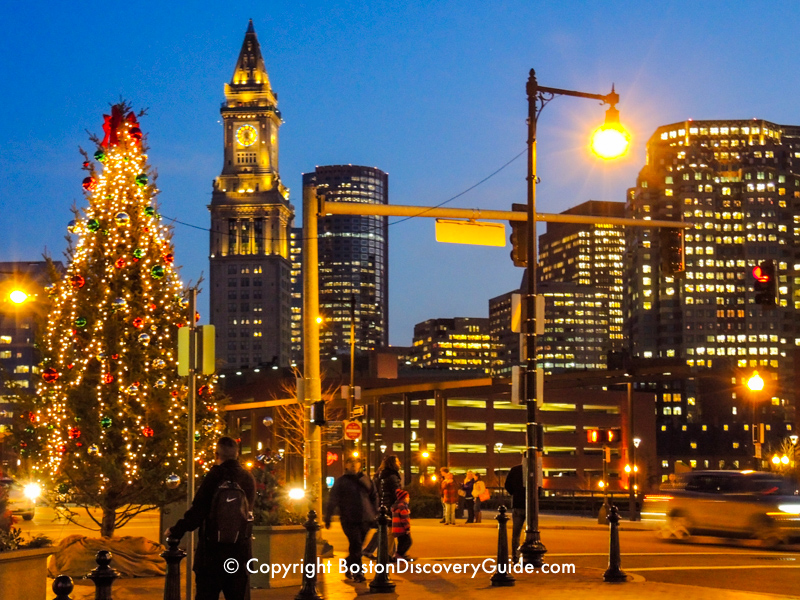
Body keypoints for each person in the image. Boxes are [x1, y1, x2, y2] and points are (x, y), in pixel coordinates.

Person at [164, 436, 256, 600]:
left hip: (211, 555)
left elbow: (198, 512)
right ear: (237, 455)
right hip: (239, 553)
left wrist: (175, 531)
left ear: (216, 455)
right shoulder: (248, 478)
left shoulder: (214, 476)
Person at [324, 456, 377, 583]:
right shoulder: (341, 481)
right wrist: (328, 517)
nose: (353, 465)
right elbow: (333, 499)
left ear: (360, 465)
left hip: (365, 518)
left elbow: (374, 496)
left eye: (356, 462)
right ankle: (358, 572)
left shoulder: (365, 479)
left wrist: (375, 514)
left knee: (357, 547)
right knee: (356, 544)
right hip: (349, 518)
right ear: (346, 465)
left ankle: (348, 562)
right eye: (350, 462)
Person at [363, 455, 401, 557]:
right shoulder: (392, 476)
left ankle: (387, 553)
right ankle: (386, 554)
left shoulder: (380, 475)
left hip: (382, 504)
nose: (399, 463)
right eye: (397, 461)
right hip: (389, 505)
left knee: (385, 529)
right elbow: (396, 492)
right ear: (393, 463)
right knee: (388, 529)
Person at [504, 457, 526, 563]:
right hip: (530, 505)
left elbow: (507, 485)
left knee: (516, 534)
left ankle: (515, 557)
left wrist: (515, 493)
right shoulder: (535, 470)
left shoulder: (515, 470)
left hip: (517, 503)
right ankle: (528, 554)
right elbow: (539, 487)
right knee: (532, 531)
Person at [391, 489, 412, 560]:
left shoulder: (396, 506)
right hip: (401, 528)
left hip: (396, 529)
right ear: (403, 498)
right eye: (407, 497)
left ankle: (400, 555)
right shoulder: (402, 507)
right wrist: (407, 528)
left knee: (401, 543)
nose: (408, 499)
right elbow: (404, 519)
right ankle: (398, 555)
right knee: (408, 541)